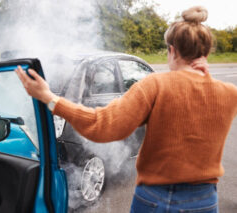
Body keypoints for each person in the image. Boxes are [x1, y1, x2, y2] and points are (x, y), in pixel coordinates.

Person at [15, 6, 237, 213]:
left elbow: (103, 126)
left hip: (155, 198)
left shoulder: (155, 85)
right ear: (206, 53)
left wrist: (49, 98)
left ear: (172, 50)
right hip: (205, 201)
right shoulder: (229, 93)